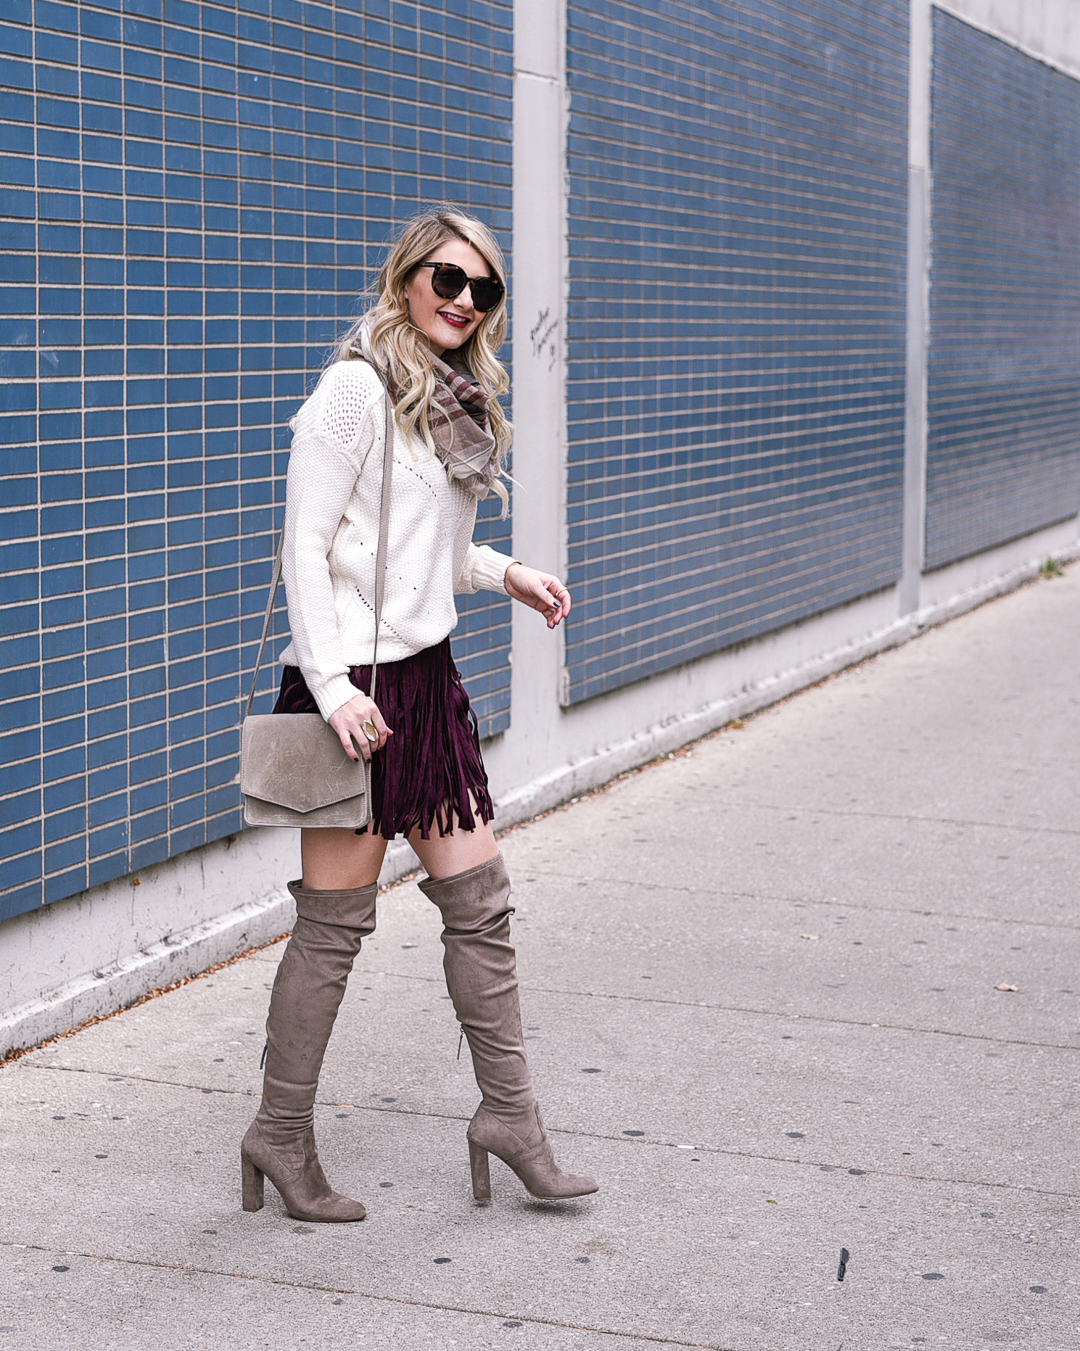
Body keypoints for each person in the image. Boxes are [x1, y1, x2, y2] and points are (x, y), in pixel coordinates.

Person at [240, 209, 598, 1222]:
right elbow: (305, 552)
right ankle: (279, 1133)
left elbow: (415, 553)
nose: (462, 300)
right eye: (448, 277)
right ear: (407, 275)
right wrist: (336, 689)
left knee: (480, 904)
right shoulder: (355, 389)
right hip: (354, 695)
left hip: (426, 688)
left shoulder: (448, 401)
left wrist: (507, 571)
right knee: (333, 928)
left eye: (483, 289)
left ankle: (512, 1119)